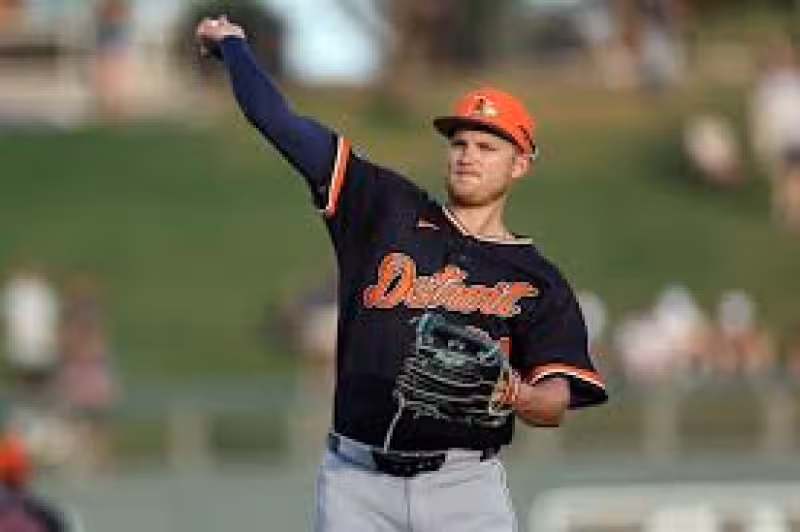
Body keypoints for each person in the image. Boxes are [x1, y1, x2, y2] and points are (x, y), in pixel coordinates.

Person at [195, 15, 608, 532]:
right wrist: (233, 46)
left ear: (520, 164)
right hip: (356, 482)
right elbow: (280, 123)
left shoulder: (537, 279)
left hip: (464, 487)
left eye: (487, 147)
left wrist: (516, 394)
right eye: (460, 143)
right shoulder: (383, 207)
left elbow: (555, 404)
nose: (468, 156)